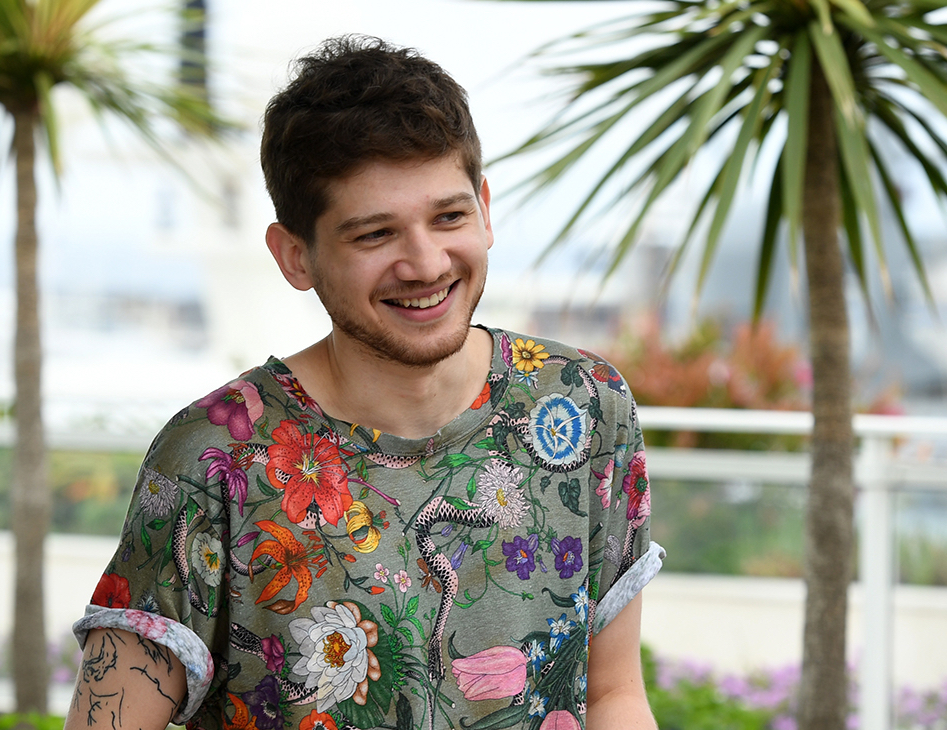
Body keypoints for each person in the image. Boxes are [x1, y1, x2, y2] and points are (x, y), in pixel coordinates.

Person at [65, 35, 663, 730]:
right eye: (375, 234)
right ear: (295, 256)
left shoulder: (584, 405)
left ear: (485, 208)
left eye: (449, 216)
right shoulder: (214, 459)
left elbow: (613, 694)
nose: (426, 263)